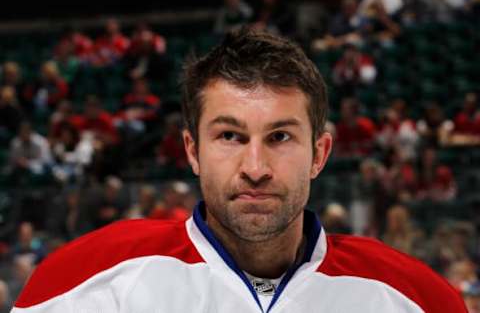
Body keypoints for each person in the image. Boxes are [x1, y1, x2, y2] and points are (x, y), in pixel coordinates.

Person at [11, 29, 466, 312]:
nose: (255, 167)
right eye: (230, 136)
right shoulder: (82, 287)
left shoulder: (418, 300)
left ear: (319, 153)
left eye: (280, 137)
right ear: (192, 150)